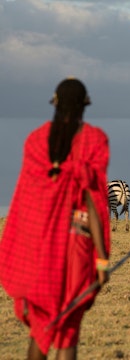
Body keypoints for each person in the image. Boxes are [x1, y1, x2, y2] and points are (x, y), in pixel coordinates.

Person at [0, 78, 111, 360]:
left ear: (56, 103)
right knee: (69, 328)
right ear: (85, 104)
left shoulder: (35, 141)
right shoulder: (94, 140)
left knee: (41, 326)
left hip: (37, 251)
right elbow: (93, 202)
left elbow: (27, 203)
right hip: (77, 250)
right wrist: (101, 258)